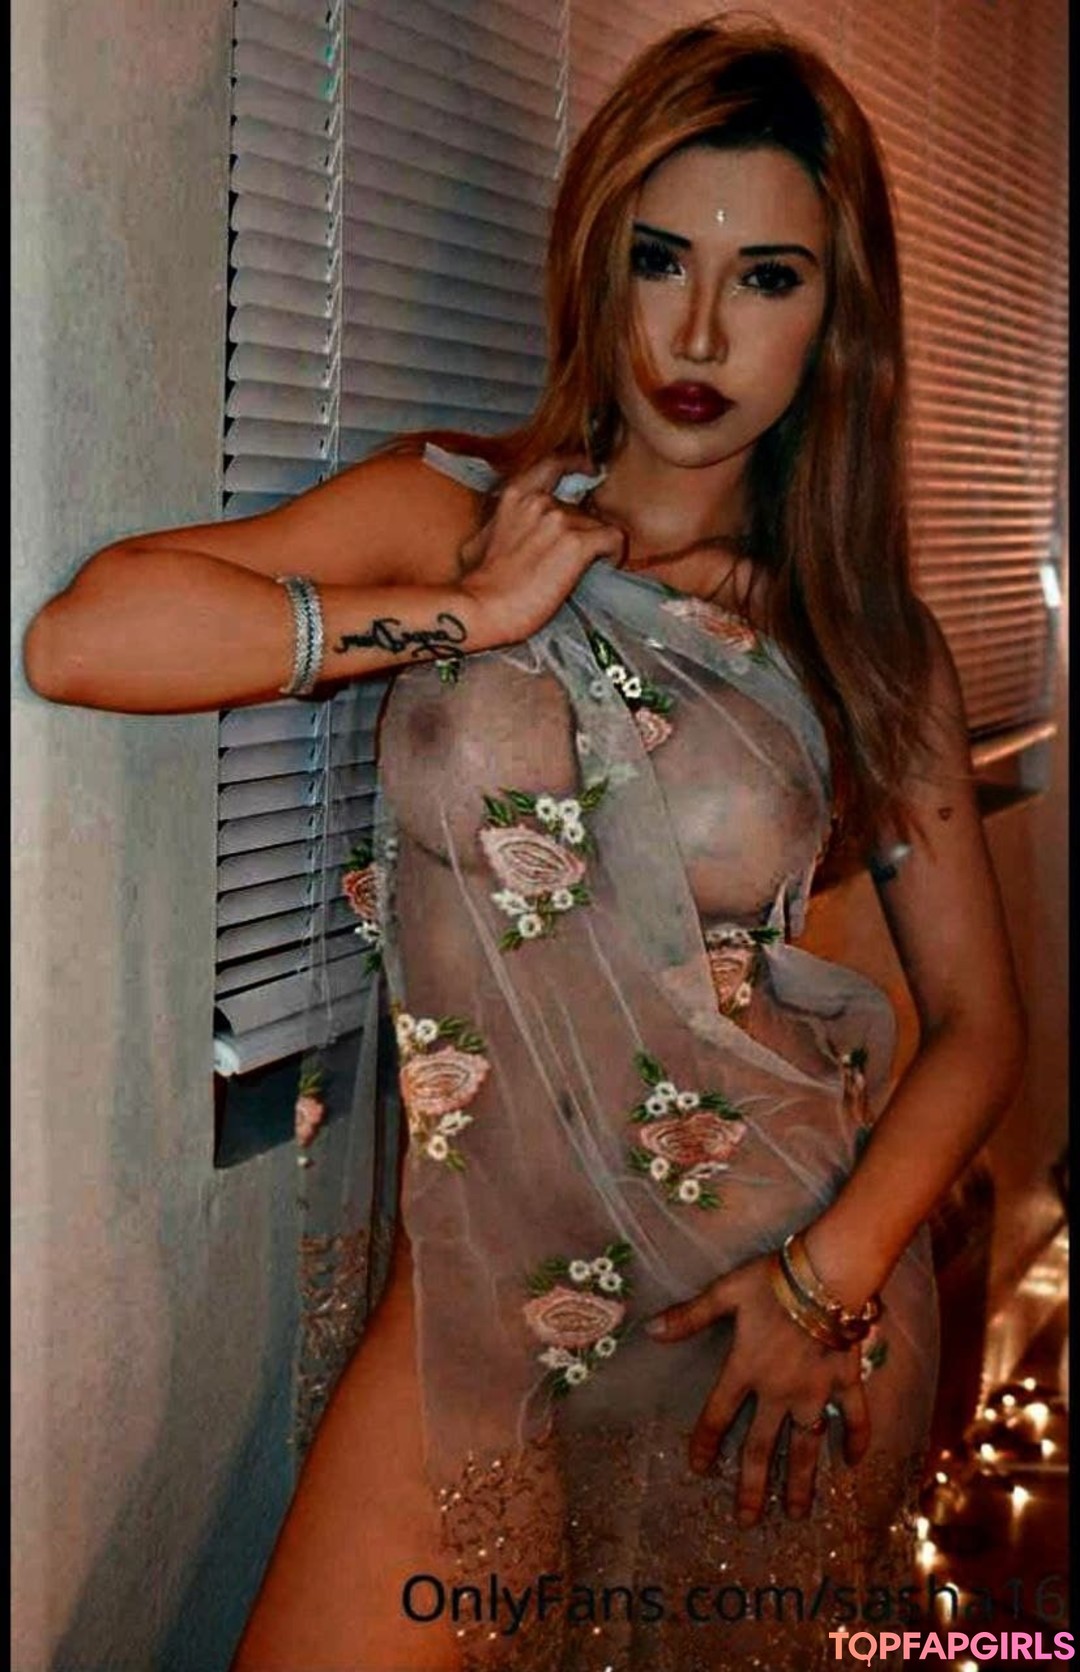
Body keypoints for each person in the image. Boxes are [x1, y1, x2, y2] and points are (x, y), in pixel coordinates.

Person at [23, 17, 1025, 1672]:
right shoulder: (457, 516)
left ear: (838, 314)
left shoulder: (862, 638)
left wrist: (825, 1282)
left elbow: (982, 1027)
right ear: (594, 264)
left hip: (758, 1302)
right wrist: (477, 613)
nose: (697, 330)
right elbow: (88, 639)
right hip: (480, 1299)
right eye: (660, 259)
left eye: (768, 278)